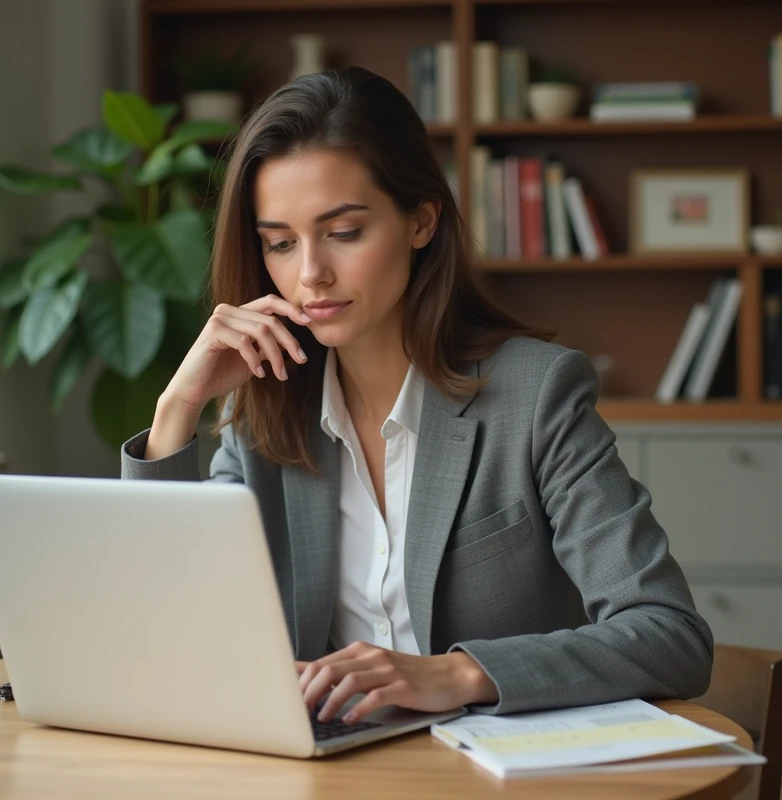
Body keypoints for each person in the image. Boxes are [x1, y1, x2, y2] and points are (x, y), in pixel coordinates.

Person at [122, 66, 712, 726]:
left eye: (344, 232)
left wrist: (456, 674)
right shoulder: (264, 415)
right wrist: (177, 409)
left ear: (422, 221)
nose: (309, 274)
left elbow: (669, 636)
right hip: (325, 772)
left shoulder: (535, 396)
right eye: (280, 244)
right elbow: (169, 629)